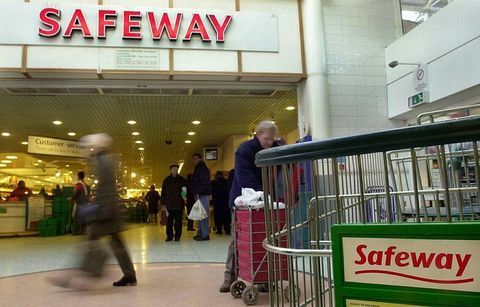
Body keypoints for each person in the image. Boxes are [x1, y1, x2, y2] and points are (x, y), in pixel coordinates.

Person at [48, 133, 137, 289]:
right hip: (110, 209)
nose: (89, 150)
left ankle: (84, 274)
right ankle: (128, 274)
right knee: (117, 243)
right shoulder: (106, 160)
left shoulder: (103, 161)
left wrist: (101, 211)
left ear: (97, 146)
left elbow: (107, 188)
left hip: (106, 211)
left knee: (92, 240)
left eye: (90, 146)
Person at [220, 121, 279, 293]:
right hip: (243, 201)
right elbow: (244, 176)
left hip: (266, 202)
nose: (269, 142)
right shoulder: (244, 150)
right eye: (267, 139)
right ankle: (229, 278)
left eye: (272, 139)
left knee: (264, 239)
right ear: (258, 134)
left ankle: (264, 279)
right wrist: (260, 194)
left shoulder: (275, 148)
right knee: (237, 239)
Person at [161, 165, 187, 242]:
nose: (175, 170)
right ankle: (169, 236)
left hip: (179, 204)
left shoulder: (182, 179)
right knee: (169, 221)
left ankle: (177, 236)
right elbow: (163, 192)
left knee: (178, 221)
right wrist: (163, 203)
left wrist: (184, 198)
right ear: (171, 170)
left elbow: (184, 190)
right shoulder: (166, 180)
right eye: (173, 169)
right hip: (169, 204)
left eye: (176, 169)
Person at [191, 153, 211, 241]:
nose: (195, 160)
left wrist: (199, 191)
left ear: (200, 159)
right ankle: (200, 232)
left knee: (203, 215)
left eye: (197, 158)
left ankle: (205, 234)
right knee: (199, 215)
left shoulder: (202, 168)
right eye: (194, 158)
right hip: (199, 194)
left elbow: (205, 182)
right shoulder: (198, 168)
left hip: (202, 194)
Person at [71, 171, 90, 235]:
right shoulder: (85, 184)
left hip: (80, 203)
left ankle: (77, 231)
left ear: (78, 176)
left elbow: (77, 192)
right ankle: (84, 231)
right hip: (85, 203)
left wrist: (72, 198)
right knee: (84, 217)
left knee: (77, 217)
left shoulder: (79, 184)